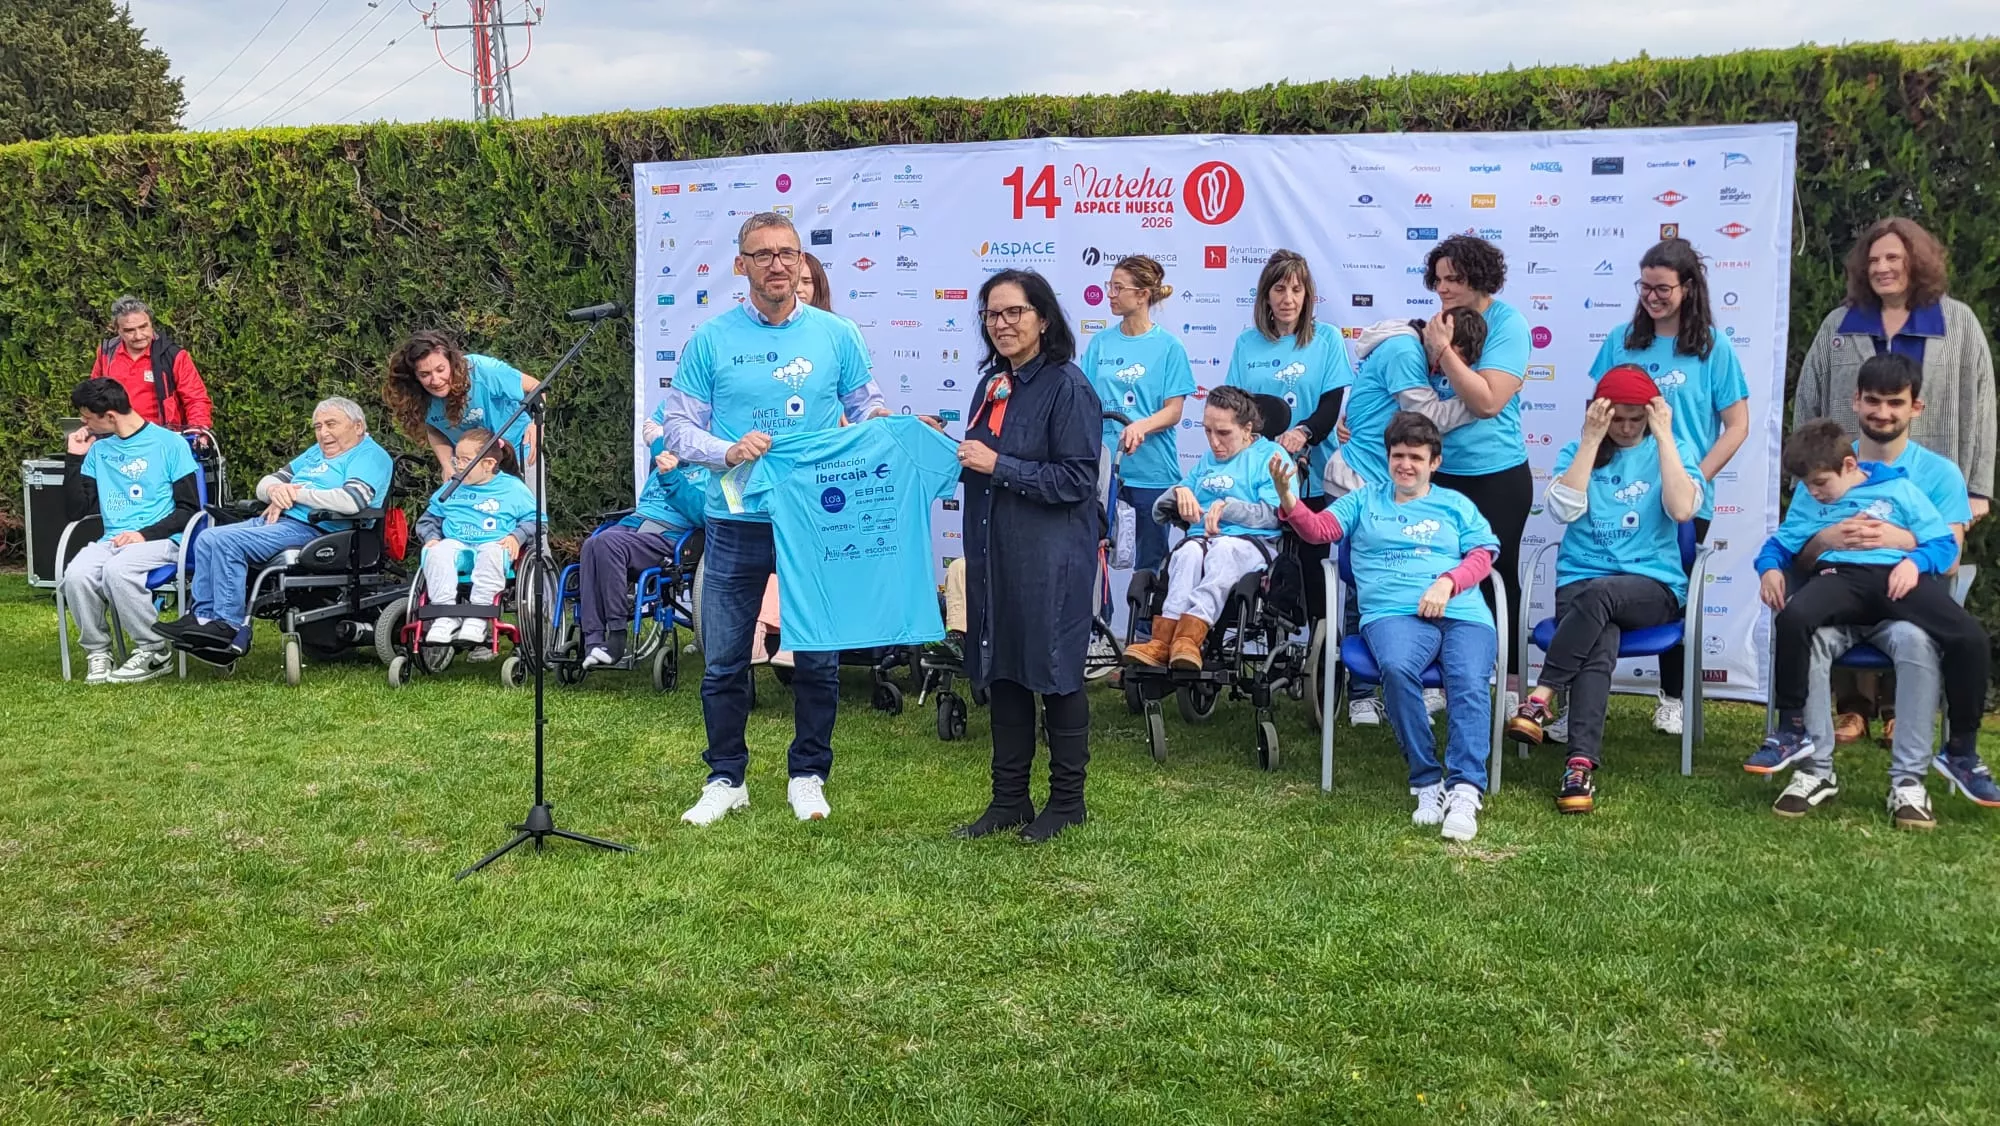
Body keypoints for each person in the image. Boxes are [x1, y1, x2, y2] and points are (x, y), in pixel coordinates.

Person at [663, 211, 887, 826]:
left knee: (816, 654)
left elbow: (865, 406)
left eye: (787, 253)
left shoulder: (837, 334)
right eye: (761, 255)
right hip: (734, 519)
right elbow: (678, 427)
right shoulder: (710, 340)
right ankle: (725, 777)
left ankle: (809, 774)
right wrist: (725, 451)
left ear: (802, 262)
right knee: (724, 659)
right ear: (741, 266)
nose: (777, 264)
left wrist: (883, 429)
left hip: (815, 516)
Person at [1754, 354, 2000, 815]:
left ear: (1915, 408)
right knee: (1797, 619)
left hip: (1899, 587)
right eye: (1872, 401)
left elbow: (1947, 552)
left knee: (1962, 637)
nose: (1883, 412)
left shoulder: (1919, 481)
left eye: (1895, 402)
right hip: (1840, 585)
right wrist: (1810, 547)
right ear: (1856, 402)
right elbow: (1788, 547)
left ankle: (1950, 757)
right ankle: (1803, 751)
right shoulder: (1819, 478)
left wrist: (1909, 549)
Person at [1791, 217, 1997, 742]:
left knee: (1914, 584)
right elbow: (1809, 403)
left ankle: (1902, 712)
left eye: (1895, 258)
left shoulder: (1956, 321)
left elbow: (1981, 403)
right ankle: (1855, 705)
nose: (1882, 268)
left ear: (1918, 262)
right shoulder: (1841, 323)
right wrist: (1810, 471)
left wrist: (1977, 487)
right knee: (1853, 565)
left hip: (1932, 481)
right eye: (1874, 259)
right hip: (1850, 483)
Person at [1276, 412, 1500, 841]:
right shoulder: (1364, 500)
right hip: (1392, 613)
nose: (1406, 465)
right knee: (1396, 671)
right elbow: (1319, 530)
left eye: (1416, 457)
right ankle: (1427, 782)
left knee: (1468, 679)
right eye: (1398, 456)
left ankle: (1466, 789)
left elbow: (1483, 555)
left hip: (1462, 612)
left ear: (1434, 462)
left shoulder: (1455, 505)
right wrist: (1289, 499)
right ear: (1388, 457)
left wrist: (1447, 582)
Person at [1505, 367, 1703, 816]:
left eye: (1637, 419)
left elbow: (1682, 508)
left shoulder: (1671, 449)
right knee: (1601, 639)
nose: (1628, 429)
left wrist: (1666, 438)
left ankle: (1540, 698)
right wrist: (1592, 442)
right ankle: (1578, 767)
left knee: (1601, 598)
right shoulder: (1579, 450)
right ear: (1600, 414)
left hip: (1652, 587)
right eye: (1618, 419)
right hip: (1581, 583)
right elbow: (1562, 510)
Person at [952, 269, 1100, 844]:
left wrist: (999, 467)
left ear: (1043, 317)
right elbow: (984, 457)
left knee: (1057, 673)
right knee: (1005, 668)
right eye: (992, 314)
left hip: (1051, 558)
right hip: (996, 551)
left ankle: (1068, 803)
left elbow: (1077, 479)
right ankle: (1009, 799)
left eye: (1014, 312)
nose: (1002, 324)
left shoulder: (1069, 388)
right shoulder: (993, 384)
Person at [1590, 239, 1749, 737]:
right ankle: (1579, 691)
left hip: (1680, 494)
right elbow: (1598, 407)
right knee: (1599, 577)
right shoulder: (1622, 339)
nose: (1652, 297)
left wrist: (1695, 476)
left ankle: (1674, 697)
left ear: (1688, 288)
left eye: (1662, 288)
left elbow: (1737, 424)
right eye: (1645, 287)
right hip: (1621, 487)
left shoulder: (1711, 347)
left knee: (1675, 591)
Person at [157, 398, 394, 657]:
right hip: (278, 522)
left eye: (331, 424)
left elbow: (351, 501)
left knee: (227, 542)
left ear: (358, 426)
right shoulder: (316, 452)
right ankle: (202, 618)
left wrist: (295, 493)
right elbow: (265, 483)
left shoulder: (370, 455)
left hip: (321, 529)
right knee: (207, 537)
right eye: (318, 426)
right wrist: (275, 490)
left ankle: (228, 626)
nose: (323, 433)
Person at [1421, 235, 1532, 684]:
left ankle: (1509, 684)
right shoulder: (1438, 321)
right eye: (1439, 279)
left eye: (1455, 279)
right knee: (1435, 575)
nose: (1443, 288)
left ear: (1481, 279)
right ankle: (1441, 679)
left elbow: (1487, 401)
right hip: (1440, 472)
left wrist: (1444, 352)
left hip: (1497, 476)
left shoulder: (1508, 324)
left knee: (1495, 577)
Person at [1122, 386, 1283, 670]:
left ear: (1247, 430)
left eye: (1223, 433)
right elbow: (1161, 511)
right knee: (1187, 555)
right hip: (1201, 540)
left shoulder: (1270, 456)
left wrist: (1226, 507)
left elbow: (1274, 515)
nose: (1214, 442)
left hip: (1249, 543)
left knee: (1222, 549)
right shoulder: (1208, 460)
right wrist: (1178, 494)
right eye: (1207, 431)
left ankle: (1189, 639)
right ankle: (1164, 641)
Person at [58, 378, 201, 684]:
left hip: (163, 539)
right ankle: (98, 652)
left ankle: (154, 650)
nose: (82, 423)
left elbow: (188, 510)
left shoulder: (170, 445)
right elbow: (76, 511)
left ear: (110, 416)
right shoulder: (99, 451)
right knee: (76, 575)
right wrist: (74, 458)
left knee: (117, 570)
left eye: (86, 417)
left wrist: (143, 535)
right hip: (113, 539)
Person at [1082, 255, 1194, 583]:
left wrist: (1140, 425)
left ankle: (1145, 630)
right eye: (1109, 286)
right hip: (1104, 467)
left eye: (1119, 288)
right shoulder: (1100, 343)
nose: (1110, 294)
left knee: (1150, 561)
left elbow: (1174, 411)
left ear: (1143, 294)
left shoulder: (1169, 347)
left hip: (1152, 472)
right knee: (1093, 549)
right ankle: (1097, 625)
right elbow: (1086, 400)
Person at [578, 400, 708, 670]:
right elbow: (654, 424)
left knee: (607, 543)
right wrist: (662, 448)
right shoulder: (663, 455)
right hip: (635, 525)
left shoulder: (709, 470)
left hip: (670, 537)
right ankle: (592, 641)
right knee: (592, 544)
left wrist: (672, 477)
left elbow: (701, 514)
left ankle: (615, 638)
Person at [1323, 311, 1487, 498]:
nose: (1445, 372)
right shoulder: (1404, 351)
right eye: (1446, 360)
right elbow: (1428, 419)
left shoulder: (1415, 346)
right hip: (1359, 480)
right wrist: (1483, 401)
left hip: (1378, 479)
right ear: (1438, 337)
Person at [413, 430, 539, 659]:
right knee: (436, 552)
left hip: (494, 544)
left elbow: (536, 522)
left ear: (489, 463)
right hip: (456, 544)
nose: (458, 466)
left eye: (464, 460)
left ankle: (479, 616)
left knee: (491, 551)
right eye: (456, 459)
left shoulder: (513, 489)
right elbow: (428, 519)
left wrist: (516, 537)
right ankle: (444, 615)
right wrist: (431, 537)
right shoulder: (452, 487)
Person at [383, 330, 541, 479]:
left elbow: (537, 388)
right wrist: (447, 465)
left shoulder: (483, 370)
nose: (436, 380)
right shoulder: (417, 397)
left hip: (519, 454)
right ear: (414, 377)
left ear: (451, 363)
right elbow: (434, 429)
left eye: (440, 369)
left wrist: (536, 425)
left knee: (528, 507)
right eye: (425, 374)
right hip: (471, 469)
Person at [87, 296, 214, 433]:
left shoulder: (173, 355)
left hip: (161, 437)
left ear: (151, 324)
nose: (139, 335)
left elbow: (196, 399)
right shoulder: (106, 353)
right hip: (115, 437)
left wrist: (197, 431)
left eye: (143, 327)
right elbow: (94, 395)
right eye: (130, 330)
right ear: (118, 330)